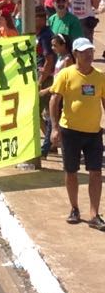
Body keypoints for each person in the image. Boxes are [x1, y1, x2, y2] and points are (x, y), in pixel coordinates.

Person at [50, 37, 105, 228]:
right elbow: (54, 101)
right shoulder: (66, 74)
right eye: (84, 52)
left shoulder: (100, 76)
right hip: (70, 132)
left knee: (96, 172)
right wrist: (55, 128)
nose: (89, 55)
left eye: (90, 51)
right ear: (75, 54)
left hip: (93, 133)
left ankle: (94, 214)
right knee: (71, 171)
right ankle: (74, 208)